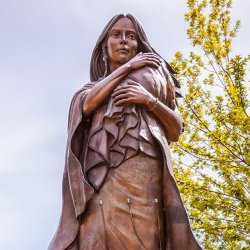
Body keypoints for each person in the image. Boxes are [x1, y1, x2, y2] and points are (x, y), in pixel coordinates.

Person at [49, 14, 202, 250]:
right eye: (116, 35)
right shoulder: (90, 91)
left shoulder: (153, 85)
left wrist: (149, 101)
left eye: (131, 37)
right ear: (104, 45)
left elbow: (175, 130)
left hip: (145, 182)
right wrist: (129, 67)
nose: (123, 41)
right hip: (103, 185)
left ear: (139, 45)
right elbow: (87, 104)